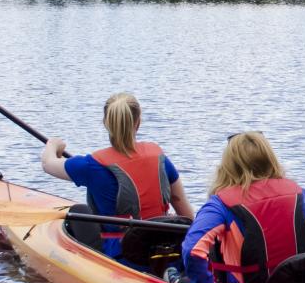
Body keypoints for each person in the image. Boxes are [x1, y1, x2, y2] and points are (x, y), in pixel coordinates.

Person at [181, 131, 305, 283]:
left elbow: (192, 250)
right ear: (270, 159)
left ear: (227, 166)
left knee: (179, 278)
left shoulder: (220, 205)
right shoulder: (301, 196)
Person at [41, 92, 195, 262]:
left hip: (123, 254)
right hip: (166, 246)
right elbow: (183, 209)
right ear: (138, 122)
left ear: (106, 123)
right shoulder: (160, 159)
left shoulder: (91, 166)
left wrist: (53, 144)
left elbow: (48, 164)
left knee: (78, 211)